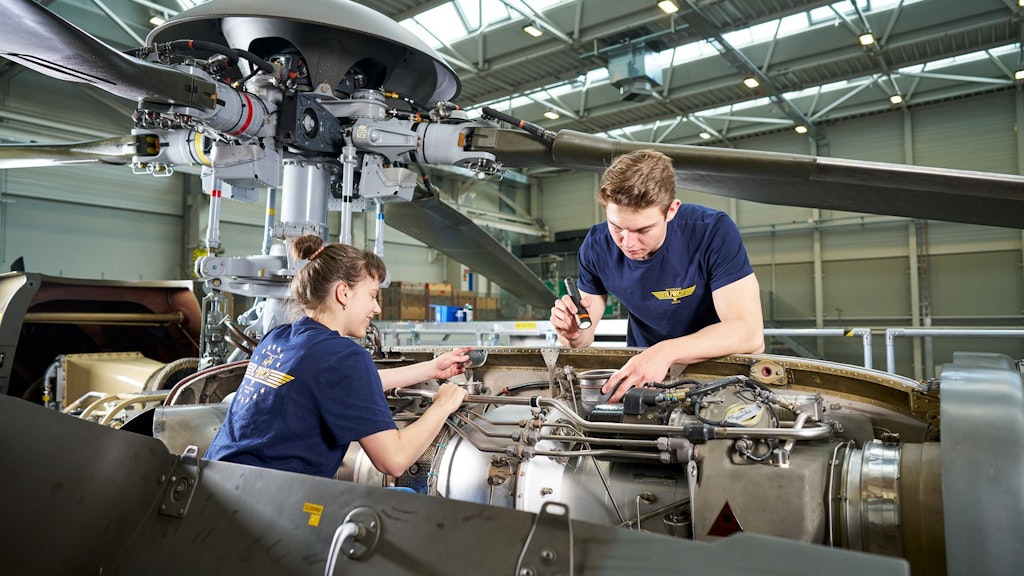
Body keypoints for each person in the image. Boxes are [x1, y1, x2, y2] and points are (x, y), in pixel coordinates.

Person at [206, 235, 470, 479]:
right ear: (343, 293)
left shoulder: (279, 337)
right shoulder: (344, 357)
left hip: (212, 482)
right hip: (263, 501)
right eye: (372, 296)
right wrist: (443, 405)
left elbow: (345, 384)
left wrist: (433, 368)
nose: (376, 308)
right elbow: (395, 459)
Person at [550, 149, 764, 403]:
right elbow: (584, 333)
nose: (627, 242)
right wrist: (571, 334)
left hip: (718, 372)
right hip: (645, 374)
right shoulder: (597, 246)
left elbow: (748, 333)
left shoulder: (712, 232)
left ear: (671, 211)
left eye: (643, 229)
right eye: (616, 227)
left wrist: (665, 352)